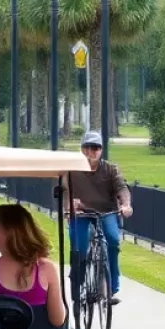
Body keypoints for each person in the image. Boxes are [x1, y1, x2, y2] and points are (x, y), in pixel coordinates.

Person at [61, 130, 133, 305]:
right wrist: (69, 206)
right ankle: (78, 281)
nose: (91, 152)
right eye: (87, 147)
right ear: (81, 149)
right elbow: (63, 190)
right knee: (79, 245)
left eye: (95, 148)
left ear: (101, 150)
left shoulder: (110, 169)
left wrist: (125, 205)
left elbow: (122, 188)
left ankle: (110, 288)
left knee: (113, 240)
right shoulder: (71, 170)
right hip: (81, 213)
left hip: (106, 212)